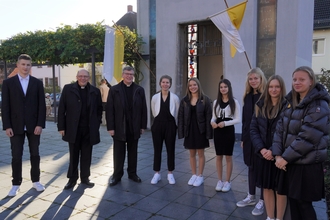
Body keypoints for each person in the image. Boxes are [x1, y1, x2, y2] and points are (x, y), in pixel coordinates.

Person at [272, 66, 330, 220]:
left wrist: (285, 158)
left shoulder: (319, 104)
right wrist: (277, 155)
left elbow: (309, 136)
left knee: (303, 204)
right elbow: (279, 130)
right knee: (293, 201)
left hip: (306, 165)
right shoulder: (291, 101)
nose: (297, 82)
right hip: (289, 162)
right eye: (295, 79)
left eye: (302, 79)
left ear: (311, 81)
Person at [1, 54, 46, 197]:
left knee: (35, 154)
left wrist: (40, 124)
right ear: (17, 65)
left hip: (34, 126)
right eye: (23, 64)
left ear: (30, 66)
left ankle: (36, 181)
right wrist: (7, 126)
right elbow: (5, 106)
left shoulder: (37, 83)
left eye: (28, 65)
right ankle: (16, 184)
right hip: (15, 126)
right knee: (16, 156)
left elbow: (41, 106)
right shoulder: (8, 83)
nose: (26, 67)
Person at [57, 69, 103, 189]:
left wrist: (96, 124)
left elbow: (99, 110)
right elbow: (62, 108)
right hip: (73, 129)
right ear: (77, 77)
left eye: (85, 76)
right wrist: (61, 127)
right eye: (81, 76)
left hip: (88, 129)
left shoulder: (95, 91)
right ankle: (72, 179)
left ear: (89, 78)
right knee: (73, 155)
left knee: (87, 155)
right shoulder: (68, 89)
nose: (83, 78)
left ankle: (85, 178)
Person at [250, 75, 287, 220]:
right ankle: (270, 217)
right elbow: (253, 130)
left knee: (280, 189)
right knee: (266, 187)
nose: (274, 89)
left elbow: (287, 131)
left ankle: (279, 218)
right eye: (271, 86)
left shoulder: (287, 106)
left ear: (281, 88)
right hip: (263, 154)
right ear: (267, 88)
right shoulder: (260, 105)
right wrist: (262, 149)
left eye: (277, 86)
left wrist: (274, 151)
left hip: (279, 155)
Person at [106, 66, 147, 187]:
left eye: (131, 74)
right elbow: (110, 110)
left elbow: (143, 109)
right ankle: (117, 175)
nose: (129, 76)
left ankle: (132, 174)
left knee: (133, 152)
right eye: (127, 74)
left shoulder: (139, 90)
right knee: (118, 153)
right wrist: (110, 127)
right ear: (123, 75)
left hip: (134, 127)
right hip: (119, 127)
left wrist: (142, 126)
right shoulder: (114, 90)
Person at [236, 67, 267, 216]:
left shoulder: (265, 96)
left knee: (261, 168)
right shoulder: (247, 96)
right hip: (248, 137)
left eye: (256, 78)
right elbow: (245, 120)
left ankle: (262, 200)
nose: (253, 81)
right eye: (251, 79)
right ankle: (251, 196)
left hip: (261, 138)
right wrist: (243, 138)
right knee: (250, 166)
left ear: (261, 79)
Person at [178, 77, 212, 187]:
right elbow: (181, 117)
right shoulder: (184, 100)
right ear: (188, 87)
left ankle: (200, 175)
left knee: (201, 153)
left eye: (194, 85)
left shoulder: (205, 99)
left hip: (200, 130)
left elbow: (209, 117)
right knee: (191, 153)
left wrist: (209, 133)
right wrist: (181, 132)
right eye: (190, 85)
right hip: (189, 130)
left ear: (198, 86)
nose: (193, 87)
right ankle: (193, 174)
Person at [210, 79, 241, 192]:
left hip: (228, 131)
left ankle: (228, 181)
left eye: (225, 87)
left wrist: (225, 123)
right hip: (218, 131)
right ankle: (220, 180)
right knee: (218, 156)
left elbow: (238, 119)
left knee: (228, 156)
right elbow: (214, 116)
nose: (223, 89)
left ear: (229, 88)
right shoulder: (215, 102)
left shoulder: (234, 102)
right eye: (221, 87)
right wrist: (212, 122)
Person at [150, 75, 180, 184]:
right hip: (157, 125)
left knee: (170, 149)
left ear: (170, 84)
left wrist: (171, 123)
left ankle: (170, 173)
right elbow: (154, 111)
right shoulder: (155, 97)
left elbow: (176, 113)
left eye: (167, 82)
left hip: (170, 125)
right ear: (160, 83)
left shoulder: (175, 98)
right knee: (157, 149)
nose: (165, 84)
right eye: (163, 82)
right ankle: (156, 173)